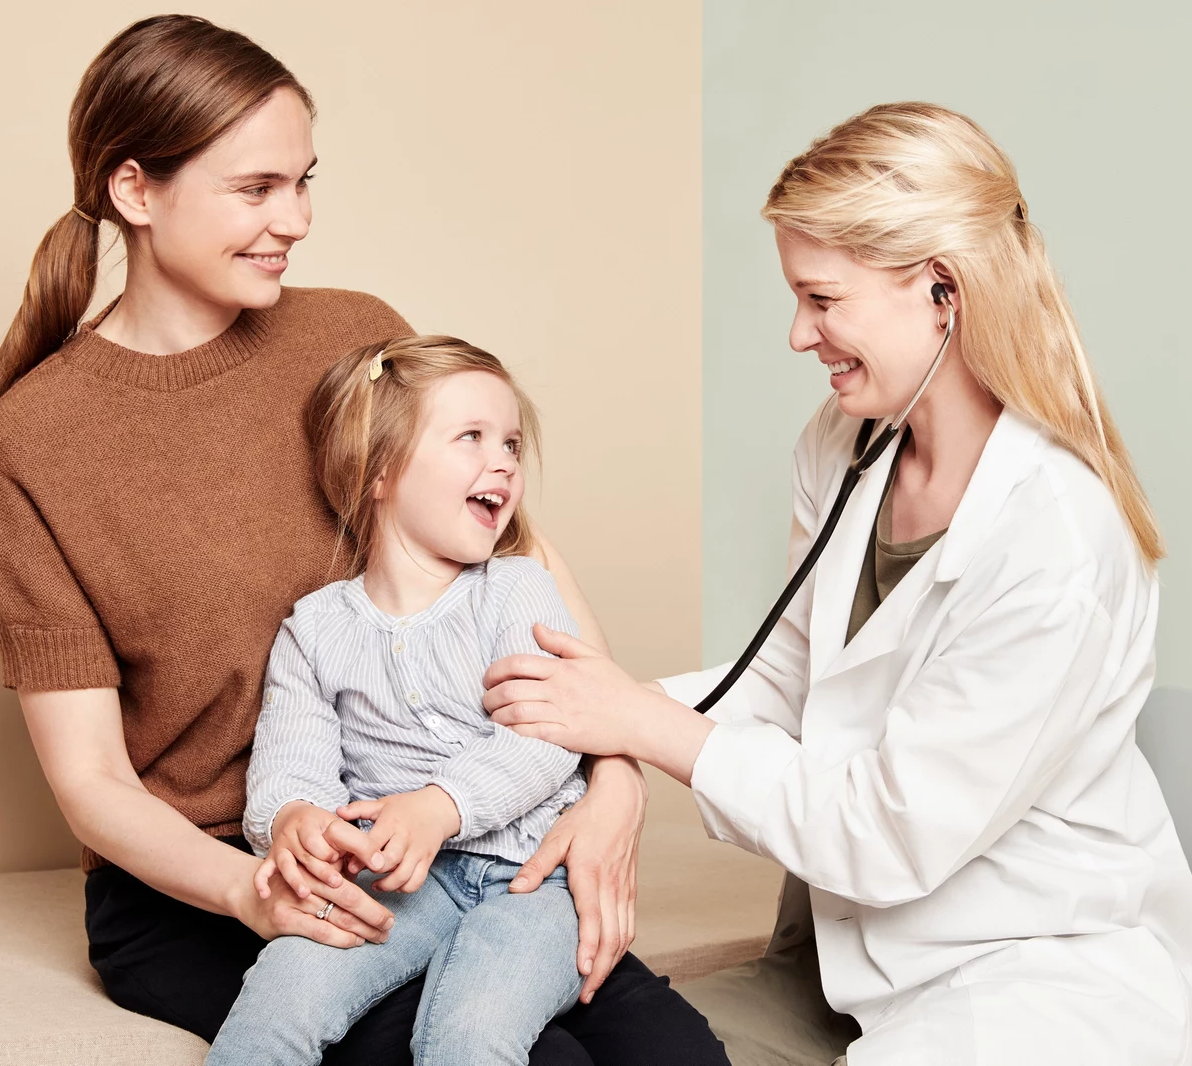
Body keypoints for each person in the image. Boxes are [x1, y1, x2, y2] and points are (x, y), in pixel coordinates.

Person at [0, 15, 724, 1065]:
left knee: (673, 1057)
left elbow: (521, 564)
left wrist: (614, 786)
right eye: (257, 188)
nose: (294, 219)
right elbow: (93, 783)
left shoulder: (354, 336)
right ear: (135, 191)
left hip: (458, 827)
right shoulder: (32, 439)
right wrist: (253, 890)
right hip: (209, 879)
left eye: (303, 182)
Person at [483, 102, 1192, 1065]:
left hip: (1027, 977)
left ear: (942, 291)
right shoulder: (844, 443)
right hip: (841, 961)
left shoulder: (1056, 539)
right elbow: (786, 681)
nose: (798, 334)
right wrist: (597, 728)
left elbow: (890, 835)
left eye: (822, 299)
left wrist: (639, 725)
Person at [206, 334, 593, 1064]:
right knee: (281, 992)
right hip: (402, 880)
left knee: (468, 1030)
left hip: (539, 881)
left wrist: (440, 806)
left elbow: (548, 735)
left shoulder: (517, 588)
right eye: (471, 437)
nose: (504, 461)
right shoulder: (314, 629)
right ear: (379, 470)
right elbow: (290, 765)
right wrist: (295, 819)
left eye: (511, 443)